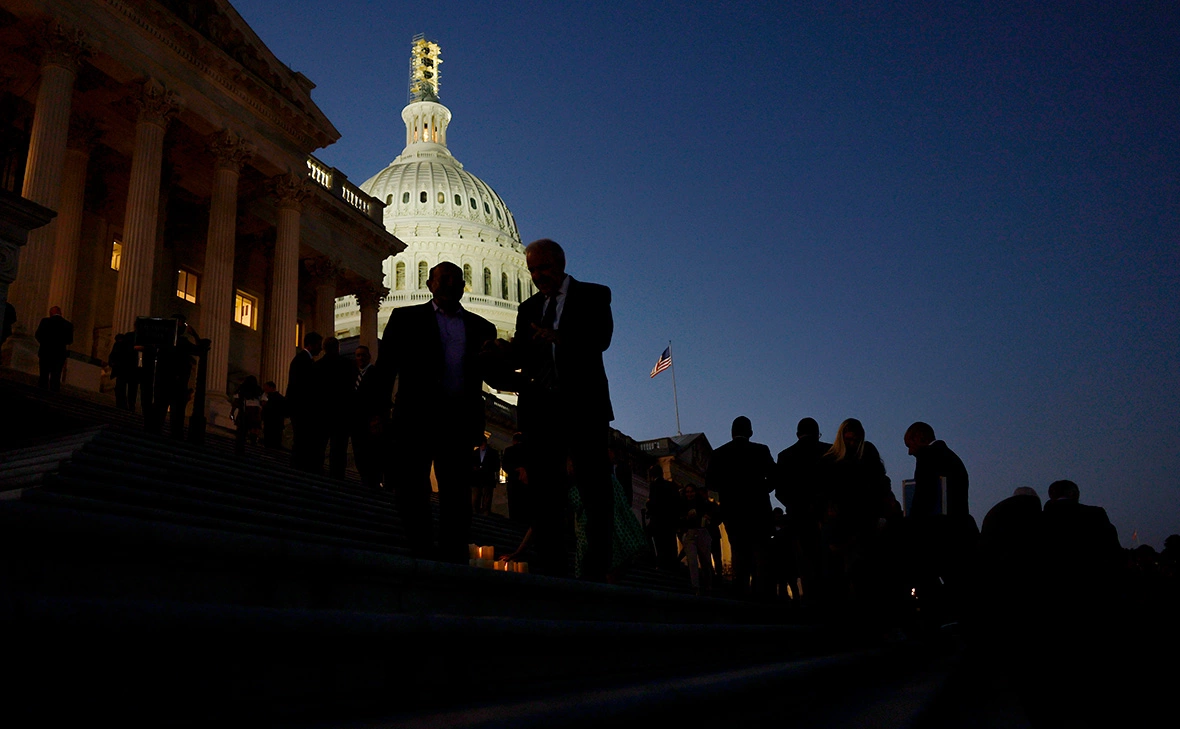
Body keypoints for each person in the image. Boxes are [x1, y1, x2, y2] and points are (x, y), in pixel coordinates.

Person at [492, 238, 615, 579]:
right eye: (532, 270)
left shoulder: (594, 295)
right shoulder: (528, 308)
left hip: (583, 408)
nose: (537, 275)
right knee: (545, 497)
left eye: (543, 268)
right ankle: (554, 572)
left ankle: (596, 572)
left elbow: (601, 339)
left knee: (594, 495)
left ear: (560, 263)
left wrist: (560, 338)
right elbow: (522, 356)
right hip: (541, 414)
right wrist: (504, 350)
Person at [378, 261, 497, 562]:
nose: (446, 284)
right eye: (440, 279)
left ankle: (453, 554)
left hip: (457, 420)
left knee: (456, 495)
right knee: (410, 489)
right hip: (415, 418)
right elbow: (385, 369)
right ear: (429, 284)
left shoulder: (483, 328)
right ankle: (420, 546)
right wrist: (377, 412)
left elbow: (493, 375)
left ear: (462, 286)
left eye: (453, 280)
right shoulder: (405, 318)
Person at [819, 418, 893, 610]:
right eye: (849, 440)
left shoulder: (835, 459)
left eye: (854, 440)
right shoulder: (848, 458)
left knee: (856, 575)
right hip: (849, 523)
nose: (852, 444)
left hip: (857, 523)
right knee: (849, 575)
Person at [706, 416, 776, 597]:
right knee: (760, 554)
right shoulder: (761, 450)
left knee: (738, 551)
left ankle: (741, 595)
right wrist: (762, 490)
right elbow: (775, 477)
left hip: (733, 511)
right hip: (758, 510)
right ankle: (762, 596)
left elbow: (710, 483)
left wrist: (728, 493)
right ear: (750, 432)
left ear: (732, 433)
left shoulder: (719, 453)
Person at [776, 417, 831, 604]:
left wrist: (795, 504)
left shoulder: (785, 456)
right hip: (826, 516)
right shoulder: (829, 452)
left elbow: (780, 492)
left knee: (805, 565)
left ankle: (811, 604)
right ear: (817, 433)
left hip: (798, 517)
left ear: (798, 434)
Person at [903, 421, 969, 518]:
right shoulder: (952, 458)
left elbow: (923, 496)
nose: (910, 452)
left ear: (919, 437)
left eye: (909, 445)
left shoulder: (926, 456)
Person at [313, 336, 357, 479]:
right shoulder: (349, 365)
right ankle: (337, 476)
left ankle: (318, 472)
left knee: (319, 445)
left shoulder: (317, 366)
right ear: (338, 348)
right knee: (339, 449)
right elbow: (352, 389)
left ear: (324, 348)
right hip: (342, 413)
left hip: (322, 412)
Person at [287, 331, 322, 472]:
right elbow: (302, 386)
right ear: (312, 345)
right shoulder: (303, 360)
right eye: (319, 345)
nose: (321, 349)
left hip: (300, 407)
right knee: (301, 439)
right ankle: (298, 467)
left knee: (301, 439)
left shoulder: (302, 359)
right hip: (302, 408)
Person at [158, 313, 196, 440]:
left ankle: (173, 434)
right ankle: (168, 432)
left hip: (175, 382)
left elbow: (201, 349)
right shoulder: (168, 340)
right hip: (169, 380)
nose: (183, 326)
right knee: (166, 409)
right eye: (181, 323)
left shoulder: (179, 341)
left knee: (175, 412)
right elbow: (201, 349)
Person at [350, 345, 384, 488]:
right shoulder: (353, 374)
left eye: (363, 355)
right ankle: (365, 478)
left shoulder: (375, 373)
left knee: (371, 453)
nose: (360, 358)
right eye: (358, 355)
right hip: (356, 422)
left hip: (370, 421)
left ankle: (373, 481)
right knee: (358, 452)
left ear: (369, 356)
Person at [680, 483, 718, 595]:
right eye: (687, 492)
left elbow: (711, 513)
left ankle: (708, 585)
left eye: (691, 491)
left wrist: (704, 516)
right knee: (692, 561)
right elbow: (680, 519)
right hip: (690, 534)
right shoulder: (682, 504)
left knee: (705, 561)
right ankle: (695, 586)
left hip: (702, 532)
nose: (689, 494)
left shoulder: (702, 503)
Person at [645, 465, 681, 572]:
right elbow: (676, 504)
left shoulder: (654, 485)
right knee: (670, 542)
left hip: (658, 520)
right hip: (670, 521)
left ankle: (658, 561)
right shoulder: (671, 486)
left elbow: (654, 502)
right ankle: (672, 563)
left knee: (657, 541)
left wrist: (648, 506)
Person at [35, 306, 73, 391]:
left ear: (51, 313)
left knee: (43, 375)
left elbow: (38, 335)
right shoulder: (68, 325)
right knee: (56, 376)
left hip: (45, 352)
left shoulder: (45, 321)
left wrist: (45, 343)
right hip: (59, 354)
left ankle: (41, 394)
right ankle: (54, 394)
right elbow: (69, 340)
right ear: (60, 313)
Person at [231, 375, 263, 456]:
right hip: (255, 409)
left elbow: (236, 401)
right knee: (254, 426)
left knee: (242, 427)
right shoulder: (258, 390)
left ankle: (241, 444)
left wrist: (232, 412)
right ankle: (253, 440)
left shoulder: (242, 389)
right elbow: (262, 401)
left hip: (246, 409)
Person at [108, 331, 139, 411]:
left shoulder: (119, 345)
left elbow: (112, 356)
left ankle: (122, 405)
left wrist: (113, 364)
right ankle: (130, 405)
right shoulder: (133, 348)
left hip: (122, 370)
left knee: (121, 387)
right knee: (130, 389)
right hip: (130, 371)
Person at [502, 432, 529, 522]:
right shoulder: (527, 451)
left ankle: (514, 521)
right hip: (525, 481)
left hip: (513, 481)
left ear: (514, 441)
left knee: (513, 503)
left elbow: (505, 466)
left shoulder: (509, 450)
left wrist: (514, 470)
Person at [471, 435, 500, 516]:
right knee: (476, 496)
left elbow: (496, 466)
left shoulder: (493, 452)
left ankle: (485, 512)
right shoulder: (475, 452)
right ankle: (475, 511)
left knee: (486, 497)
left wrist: (486, 468)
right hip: (476, 478)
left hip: (487, 478)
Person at [260, 381, 287, 450]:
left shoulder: (272, 398)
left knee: (270, 443)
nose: (265, 390)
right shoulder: (280, 398)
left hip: (271, 423)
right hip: (277, 423)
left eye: (266, 388)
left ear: (271, 388)